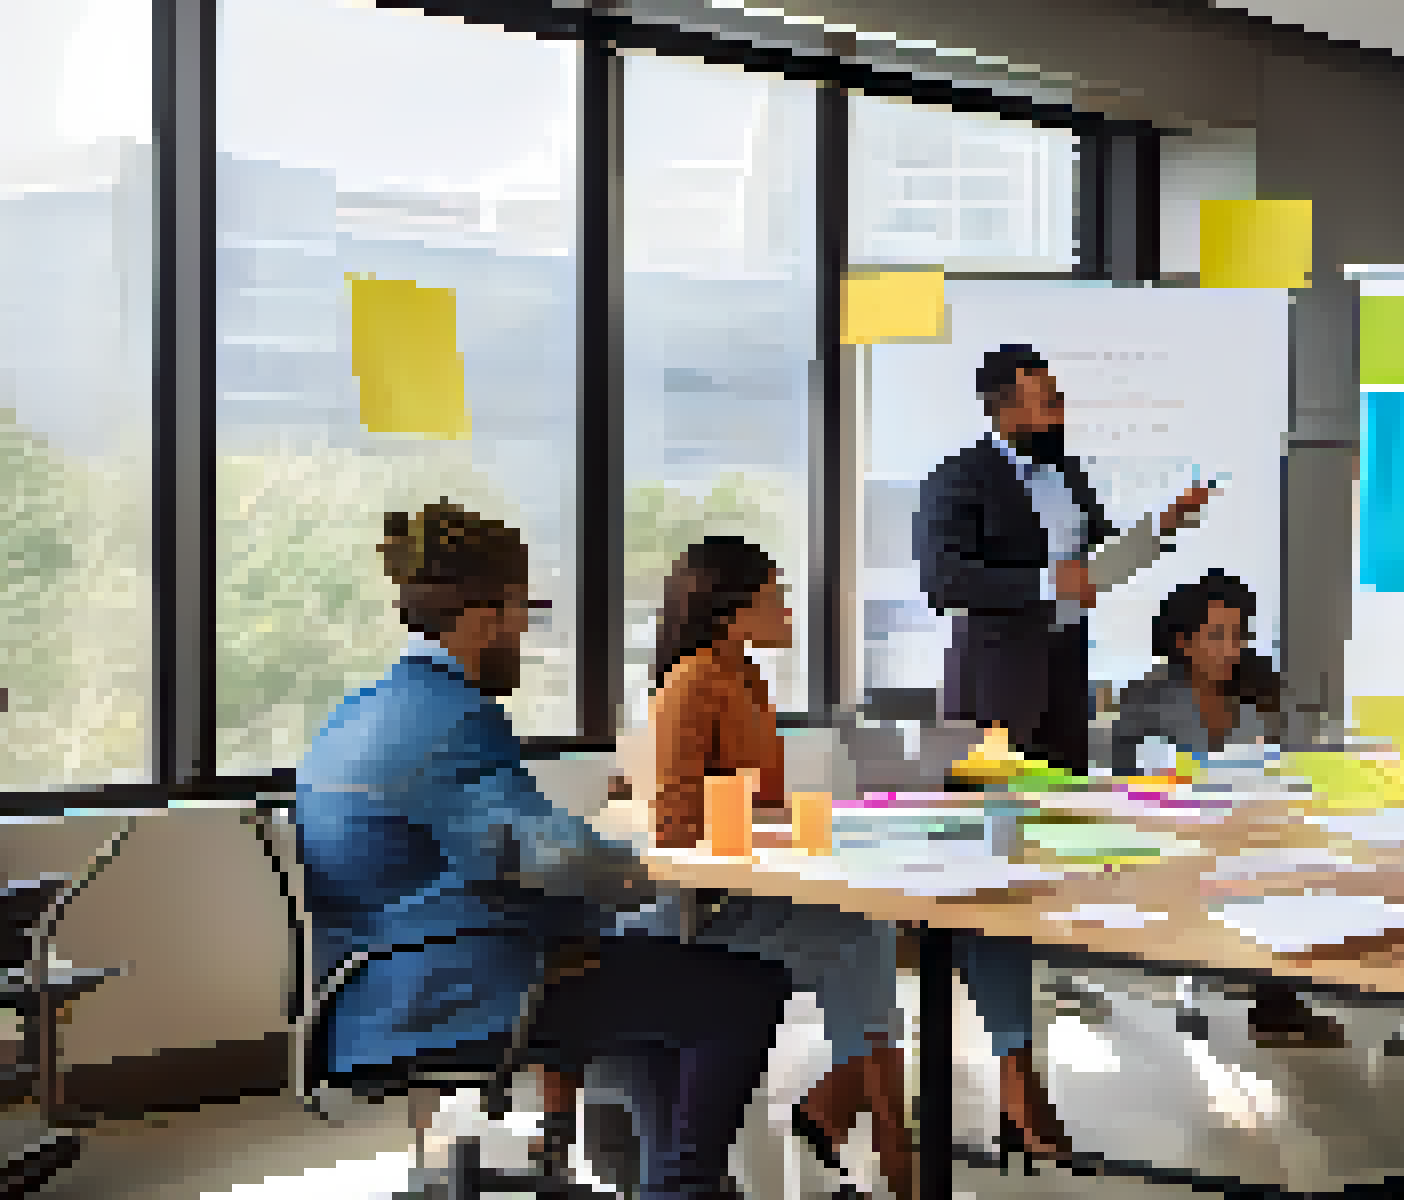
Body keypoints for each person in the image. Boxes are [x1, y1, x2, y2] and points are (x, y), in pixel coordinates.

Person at [295, 501, 792, 1200]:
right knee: (747, 989)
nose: (527, 629)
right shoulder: (455, 719)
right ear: (484, 613)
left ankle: (668, 1183)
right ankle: (685, 1191)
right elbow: (553, 858)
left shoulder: (358, 710)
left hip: (366, 993)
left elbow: (503, 845)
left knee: (658, 995)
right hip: (453, 993)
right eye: (523, 609)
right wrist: (643, 871)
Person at [914, 344, 1217, 1165]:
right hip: (992, 703)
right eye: (1043, 400)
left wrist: (1161, 529)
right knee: (990, 884)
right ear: (1001, 407)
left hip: (1061, 689)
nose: (1056, 412)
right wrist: (1050, 584)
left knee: (1040, 877)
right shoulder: (958, 479)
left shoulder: (1072, 474)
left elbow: (1094, 570)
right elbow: (945, 581)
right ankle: (1014, 1074)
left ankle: (1018, 1061)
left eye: (1056, 399)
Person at [639, 537, 914, 1198]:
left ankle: (870, 1127)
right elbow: (675, 824)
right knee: (861, 937)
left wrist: (799, 825)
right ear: (735, 610)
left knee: (868, 931)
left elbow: (759, 801)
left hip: (749, 885)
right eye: (777, 595)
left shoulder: (748, 678)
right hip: (703, 909)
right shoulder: (692, 683)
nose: (789, 608)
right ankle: (890, 1143)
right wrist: (765, 830)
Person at [1111, 570, 1341, 1048]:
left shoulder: (1260, 690)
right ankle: (1272, 995)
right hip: (1177, 838)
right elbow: (1128, 776)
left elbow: (1293, 760)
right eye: (1217, 635)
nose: (1230, 648)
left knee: (1290, 863)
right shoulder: (1146, 700)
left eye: (1238, 635)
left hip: (1251, 832)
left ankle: (1277, 1001)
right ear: (1184, 642)